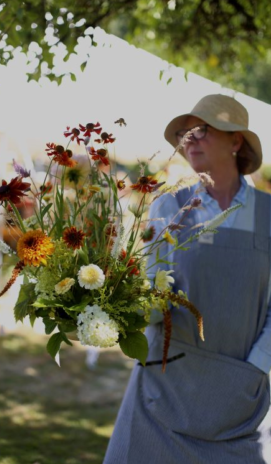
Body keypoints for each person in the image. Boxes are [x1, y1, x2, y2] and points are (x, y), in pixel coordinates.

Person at [105, 94, 271, 463]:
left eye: (201, 130)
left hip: (238, 393)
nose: (189, 140)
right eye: (185, 133)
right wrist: (106, 309)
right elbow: (151, 293)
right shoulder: (168, 207)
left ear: (236, 140)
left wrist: (256, 367)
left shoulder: (269, 214)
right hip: (166, 384)